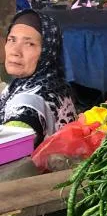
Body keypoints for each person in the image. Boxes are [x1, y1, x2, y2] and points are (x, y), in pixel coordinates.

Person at [0, 10, 77, 146]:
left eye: (29, 44)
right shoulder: (54, 82)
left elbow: (11, 148)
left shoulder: (27, 108)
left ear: (47, 51)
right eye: (12, 39)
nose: (15, 52)